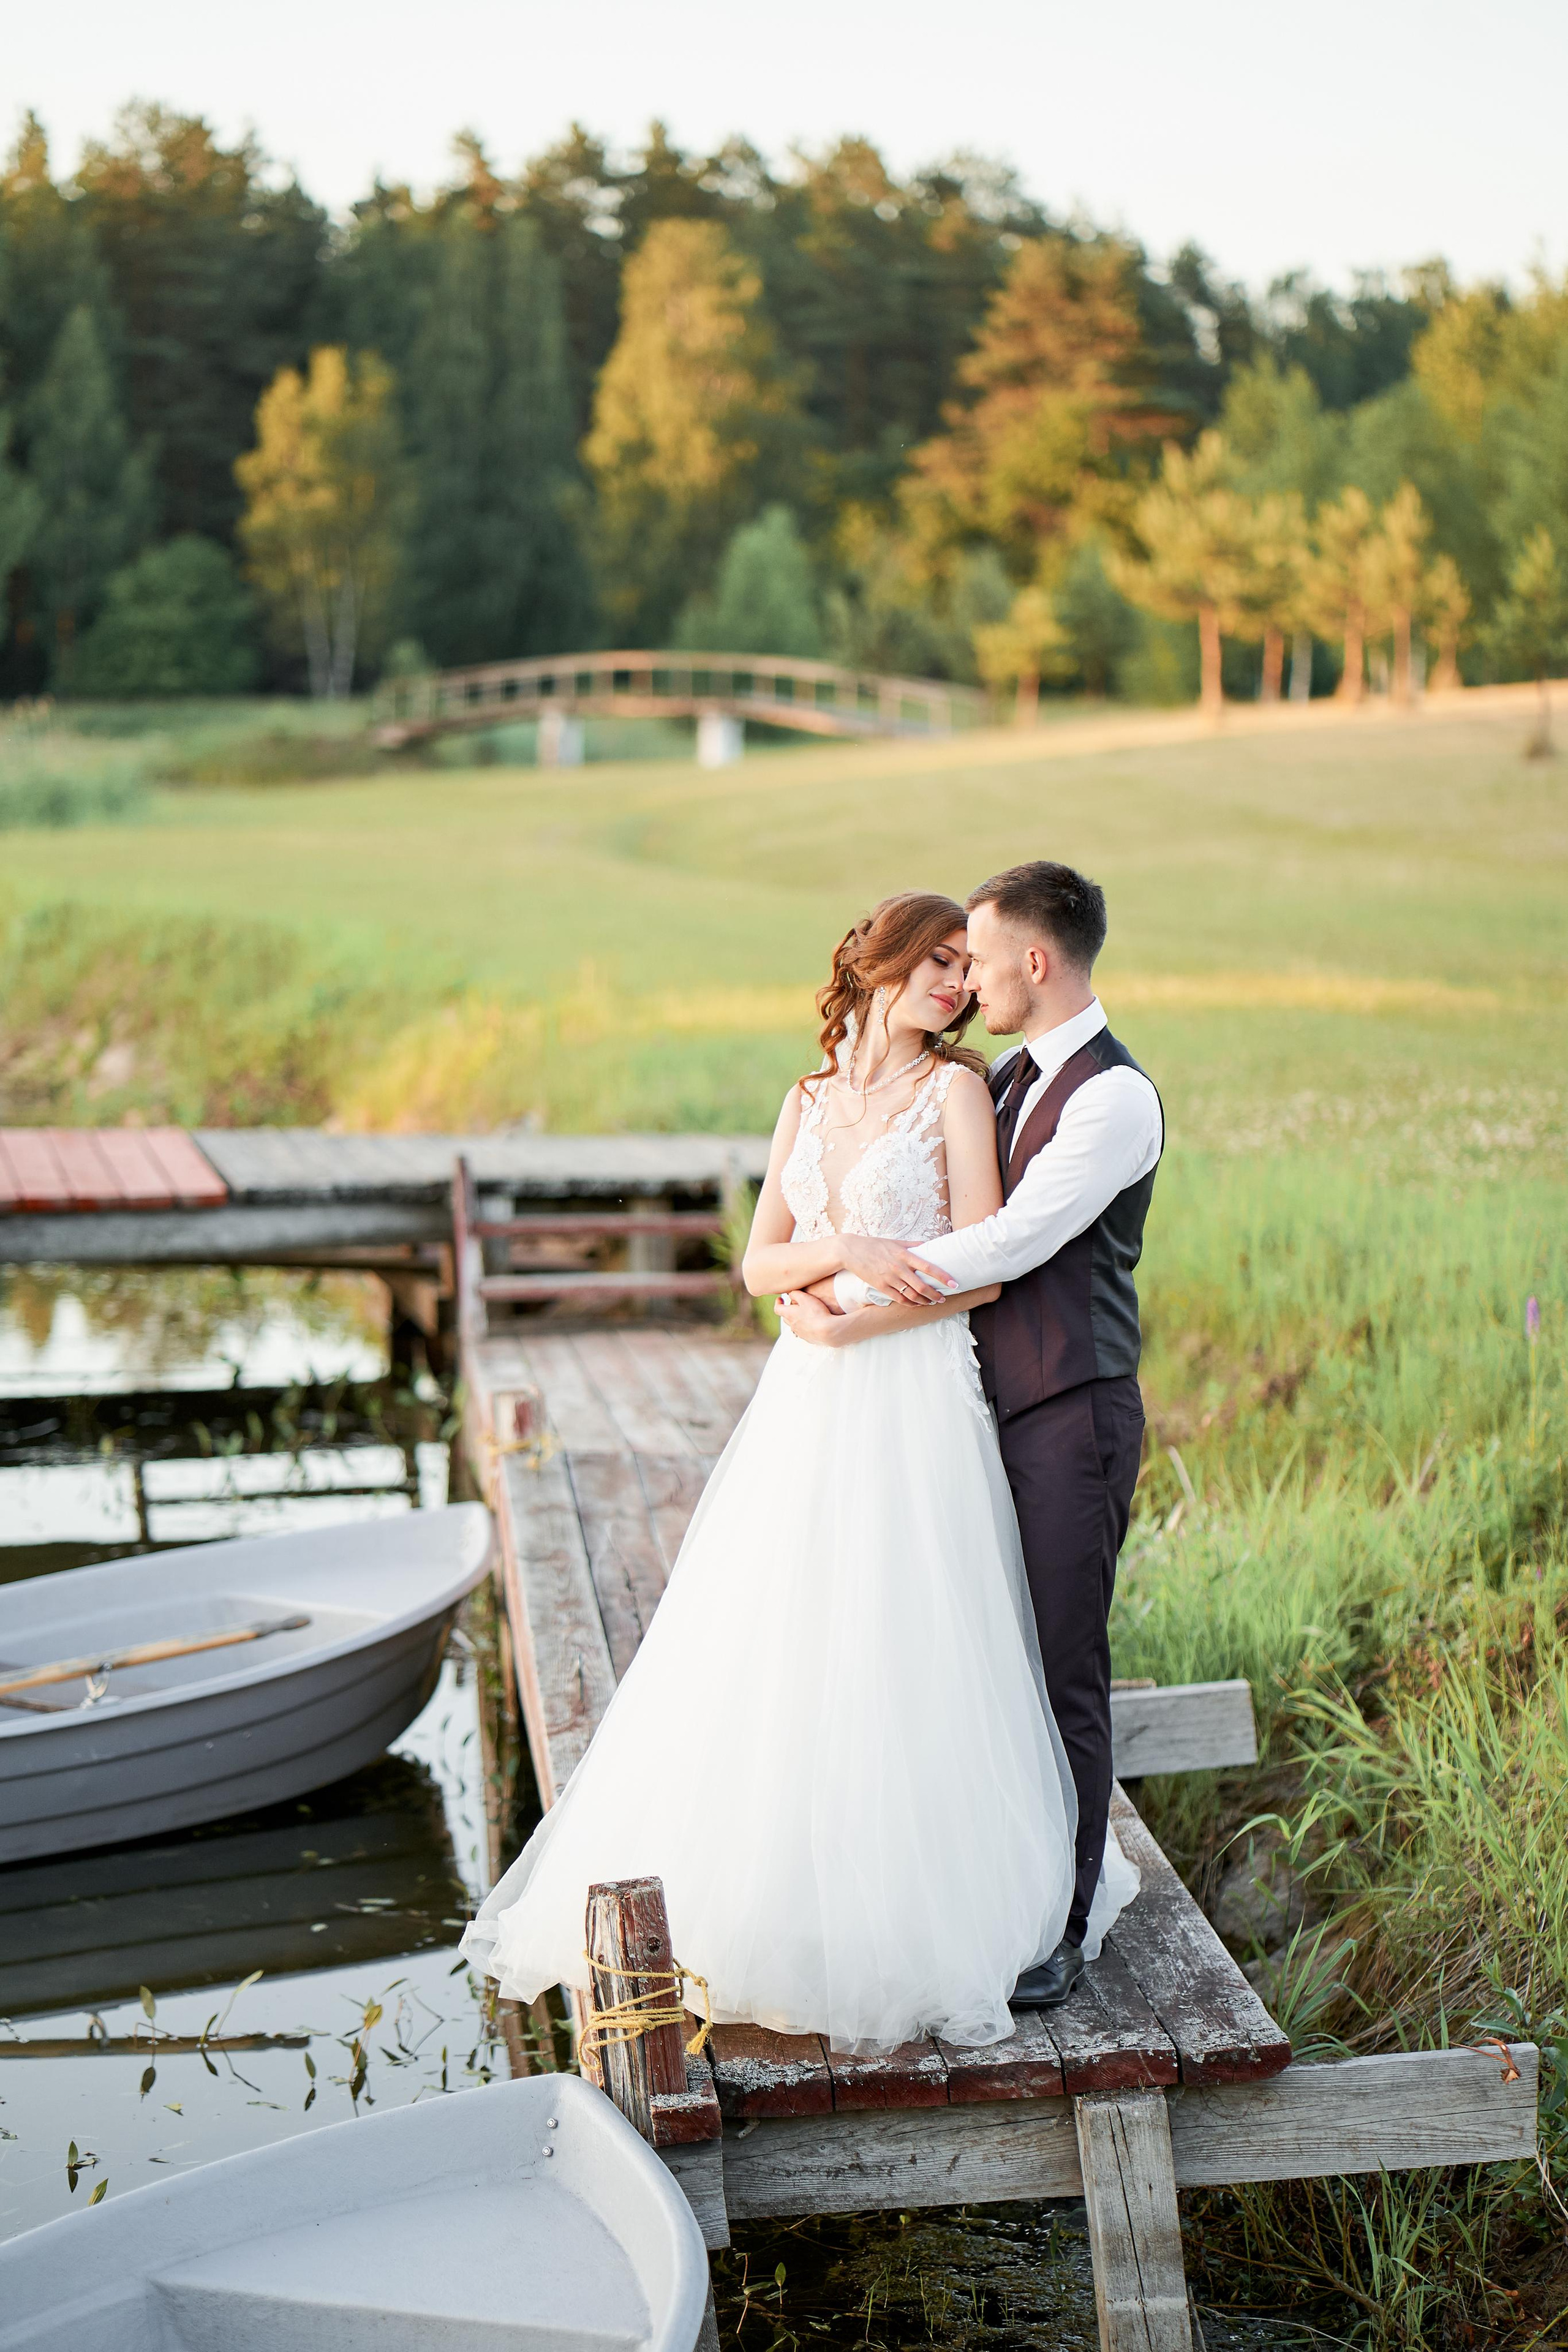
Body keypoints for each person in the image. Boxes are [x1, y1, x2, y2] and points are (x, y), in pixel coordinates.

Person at [462, 889, 1137, 2053]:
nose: (956, 987)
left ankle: (937, 1903)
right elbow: (757, 1259)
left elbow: (981, 1272)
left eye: (964, 970)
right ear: (875, 968)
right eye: (935, 964)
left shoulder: (960, 1091)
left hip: (910, 1385)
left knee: (907, 1631)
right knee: (784, 1629)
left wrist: (843, 1321)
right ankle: (772, 1890)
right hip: (806, 1407)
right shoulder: (807, 1098)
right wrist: (838, 1255)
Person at [796, 861, 1164, 2010]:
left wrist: (842, 1302)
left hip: (1071, 1418)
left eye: (983, 957)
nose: (970, 979)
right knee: (982, 1659)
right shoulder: (1005, 1077)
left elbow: (1005, 1244)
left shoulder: (1111, 1099)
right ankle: (983, 1887)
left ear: (1036, 963)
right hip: (981, 1412)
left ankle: (1062, 1925)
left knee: (1063, 1668)